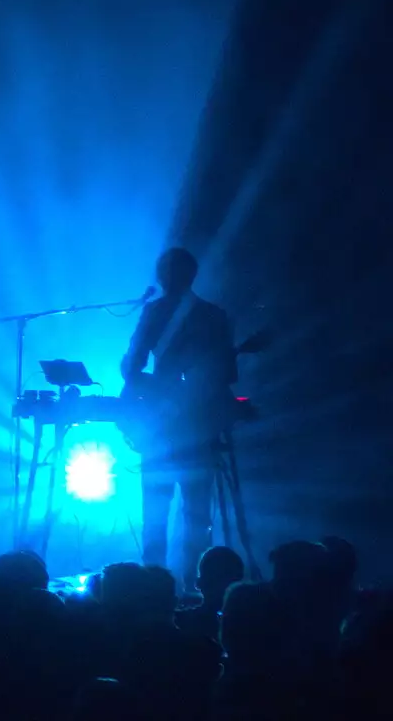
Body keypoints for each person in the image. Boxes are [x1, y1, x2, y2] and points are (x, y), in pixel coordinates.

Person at [120, 248, 237, 583]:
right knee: (197, 513)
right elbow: (227, 373)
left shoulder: (155, 312)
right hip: (199, 427)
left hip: (160, 427)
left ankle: (151, 586)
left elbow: (132, 365)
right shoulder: (213, 315)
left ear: (162, 276)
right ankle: (198, 587)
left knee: (156, 511)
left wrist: (150, 388)